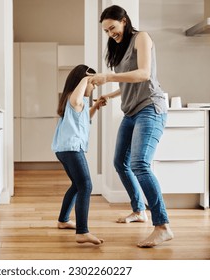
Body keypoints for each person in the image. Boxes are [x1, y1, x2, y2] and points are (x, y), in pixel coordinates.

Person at [88, 5, 174, 248]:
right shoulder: (120, 46)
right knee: (120, 162)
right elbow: (129, 82)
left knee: (139, 164)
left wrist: (108, 77)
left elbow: (144, 74)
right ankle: (139, 211)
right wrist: (112, 96)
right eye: (106, 31)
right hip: (131, 111)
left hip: (150, 108)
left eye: (112, 28)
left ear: (124, 20)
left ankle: (163, 226)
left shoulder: (141, 37)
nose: (110, 33)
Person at [51, 64, 106, 245]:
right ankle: (82, 232)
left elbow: (82, 118)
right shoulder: (74, 98)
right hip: (72, 149)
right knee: (86, 186)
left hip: (64, 149)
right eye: (93, 84)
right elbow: (76, 102)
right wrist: (86, 78)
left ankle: (63, 220)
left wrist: (96, 106)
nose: (94, 87)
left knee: (77, 184)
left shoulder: (77, 101)